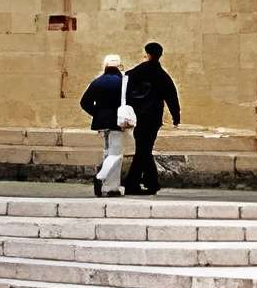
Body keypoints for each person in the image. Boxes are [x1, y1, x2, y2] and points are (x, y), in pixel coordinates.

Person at [121, 42, 182, 195]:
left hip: (139, 116)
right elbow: (172, 96)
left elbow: (126, 80)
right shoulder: (162, 75)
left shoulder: (137, 71)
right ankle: (148, 182)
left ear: (147, 54)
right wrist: (176, 117)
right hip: (154, 117)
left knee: (143, 149)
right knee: (145, 149)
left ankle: (138, 183)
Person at [78, 55, 129, 195]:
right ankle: (102, 179)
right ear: (119, 66)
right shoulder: (123, 82)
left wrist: (97, 113)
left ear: (105, 66)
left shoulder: (98, 81)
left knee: (107, 153)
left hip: (101, 123)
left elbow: (84, 102)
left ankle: (109, 187)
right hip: (117, 122)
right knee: (116, 154)